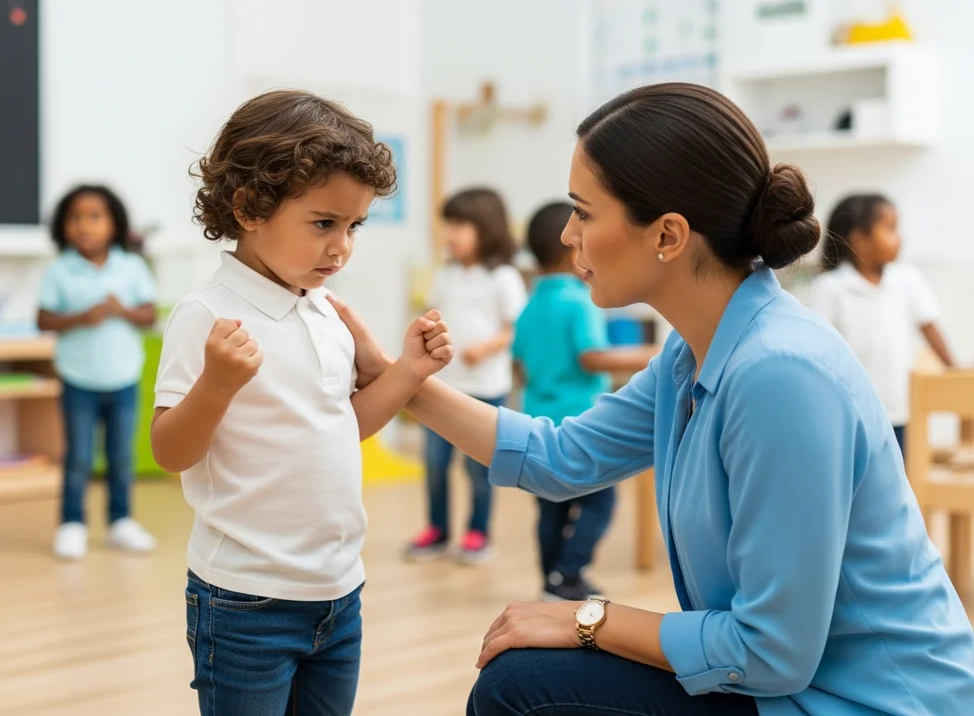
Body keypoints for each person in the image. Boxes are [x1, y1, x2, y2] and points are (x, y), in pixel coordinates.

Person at [328, 83, 974, 716]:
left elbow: (772, 653)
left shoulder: (780, 375)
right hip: (787, 687)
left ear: (667, 235)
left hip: (866, 701)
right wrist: (398, 378)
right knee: (521, 676)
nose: (566, 237)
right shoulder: (694, 350)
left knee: (521, 685)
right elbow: (561, 457)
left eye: (583, 212)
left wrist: (589, 617)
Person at [150, 90, 453, 716]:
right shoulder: (205, 316)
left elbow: (340, 427)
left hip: (340, 593)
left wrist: (410, 372)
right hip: (245, 602)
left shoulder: (324, 312)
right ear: (249, 207)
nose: (341, 248)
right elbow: (169, 451)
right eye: (323, 224)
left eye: (354, 226)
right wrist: (215, 386)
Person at [516, 201, 656, 601]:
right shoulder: (578, 300)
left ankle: (552, 580)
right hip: (581, 422)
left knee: (549, 510)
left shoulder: (529, 305)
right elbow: (591, 356)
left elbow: (520, 365)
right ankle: (567, 573)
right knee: (600, 502)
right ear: (570, 250)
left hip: (537, 420)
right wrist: (651, 354)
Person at [405, 188, 527, 565]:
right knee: (435, 465)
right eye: (448, 226)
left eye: (459, 226)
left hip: (485, 388)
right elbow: (434, 316)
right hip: (442, 385)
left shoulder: (504, 277)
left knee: (480, 469)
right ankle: (438, 530)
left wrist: (486, 347)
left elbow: (515, 329)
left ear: (486, 228)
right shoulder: (446, 275)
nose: (450, 236)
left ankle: (478, 532)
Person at [38, 185, 157, 560]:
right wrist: (80, 318)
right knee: (79, 458)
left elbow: (149, 315)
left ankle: (121, 521)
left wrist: (122, 311)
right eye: (75, 217)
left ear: (113, 224)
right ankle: (72, 523)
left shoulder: (132, 267)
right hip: (79, 380)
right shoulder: (60, 270)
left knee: (120, 456)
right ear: (64, 226)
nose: (84, 225)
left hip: (123, 378)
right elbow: (44, 319)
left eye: (94, 216)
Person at [809, 194, 955, 457]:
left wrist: (954, 371)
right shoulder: (830, 288)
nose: (899, 238)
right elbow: (818, 351)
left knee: (903, 482)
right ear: (860, 240)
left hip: (903, 412)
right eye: (889, 229)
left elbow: (931, 330)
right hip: (853, 414)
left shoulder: (908, 280)